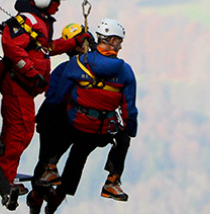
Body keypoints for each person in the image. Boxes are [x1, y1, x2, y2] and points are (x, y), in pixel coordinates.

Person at [27, 19, 137, 212]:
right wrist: (129, 130)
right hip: (98, 128)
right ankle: (62, 196)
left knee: (50, 158)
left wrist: (43, 120)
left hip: (70, 122)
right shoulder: (124, 71)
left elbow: (55, 99)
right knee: (78, 158)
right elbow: (129, 109)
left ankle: (38, 194)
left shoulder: (72, 66)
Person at [0, 0, 85, 196]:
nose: (58, 6)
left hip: (24, 87)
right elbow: (12, 48)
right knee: (19, 133)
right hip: (18, 86)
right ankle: (1, 181)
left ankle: (2, 177)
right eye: (56, 2)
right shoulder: (27, 21)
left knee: (18, 133)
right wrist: (32, 73)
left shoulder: (38, 22)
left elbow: (46, 48)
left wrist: (74, 42)